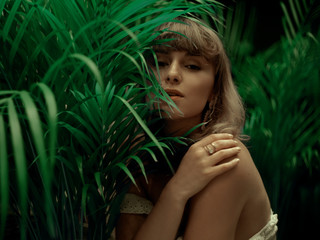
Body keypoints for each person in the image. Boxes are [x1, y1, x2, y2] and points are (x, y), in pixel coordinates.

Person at [116, 17, 278, 240]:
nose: (171, 74)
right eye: (161, 63)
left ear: (215, 91)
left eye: (192, 66)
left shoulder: (224, 156)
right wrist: (177, 191)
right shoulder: (138, 155)